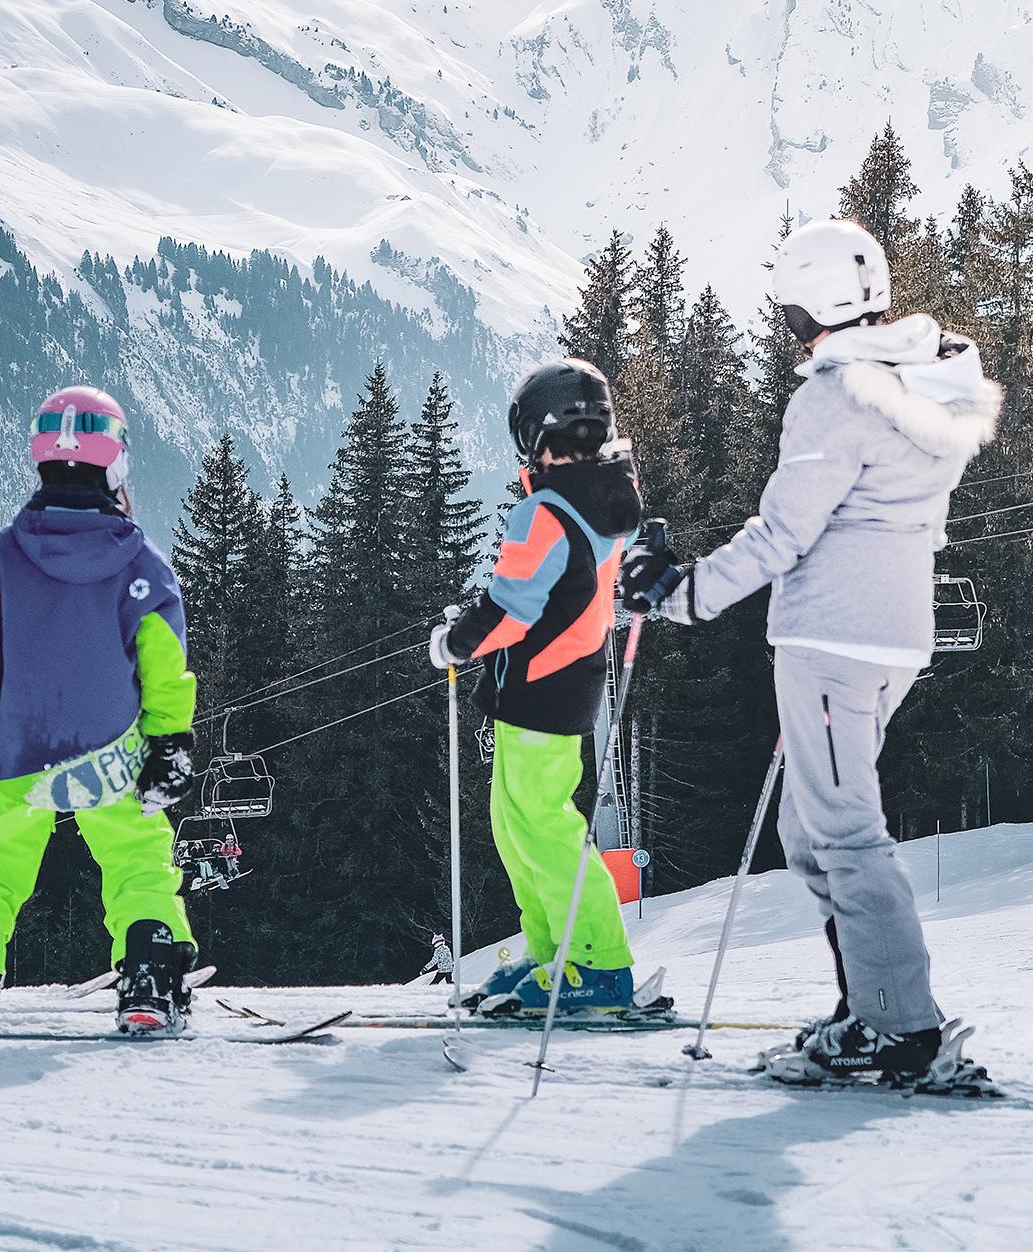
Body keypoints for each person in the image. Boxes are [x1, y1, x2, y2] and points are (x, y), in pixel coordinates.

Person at [622, 217, 1003, 1086]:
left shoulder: (836, 397)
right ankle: (867, 1005)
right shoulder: (924, 385)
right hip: (892, 637)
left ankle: (901, 1026)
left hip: (832, 640)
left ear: (805, 305)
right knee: (809, 826)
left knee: (846, 833)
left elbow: (784, 533)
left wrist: (680, 593)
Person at [0, 384, 199, 1035]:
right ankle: (150, 980)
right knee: (135, 857)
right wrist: (169, 741)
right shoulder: (141, 563)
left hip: (20, 743)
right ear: (116, 464)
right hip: (112, 745)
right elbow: (163, 666)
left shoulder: (2, 557)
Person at [429, 358, 648, 1017]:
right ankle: (553, 948)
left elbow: (510, 611)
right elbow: (553, 594)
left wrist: (455, 642)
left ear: (532, 434)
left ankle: (599, 963)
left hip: (537, 692)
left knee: (544, 831)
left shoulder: (543, 515)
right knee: (516, 825)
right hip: (562, 685)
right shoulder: (603, 504)